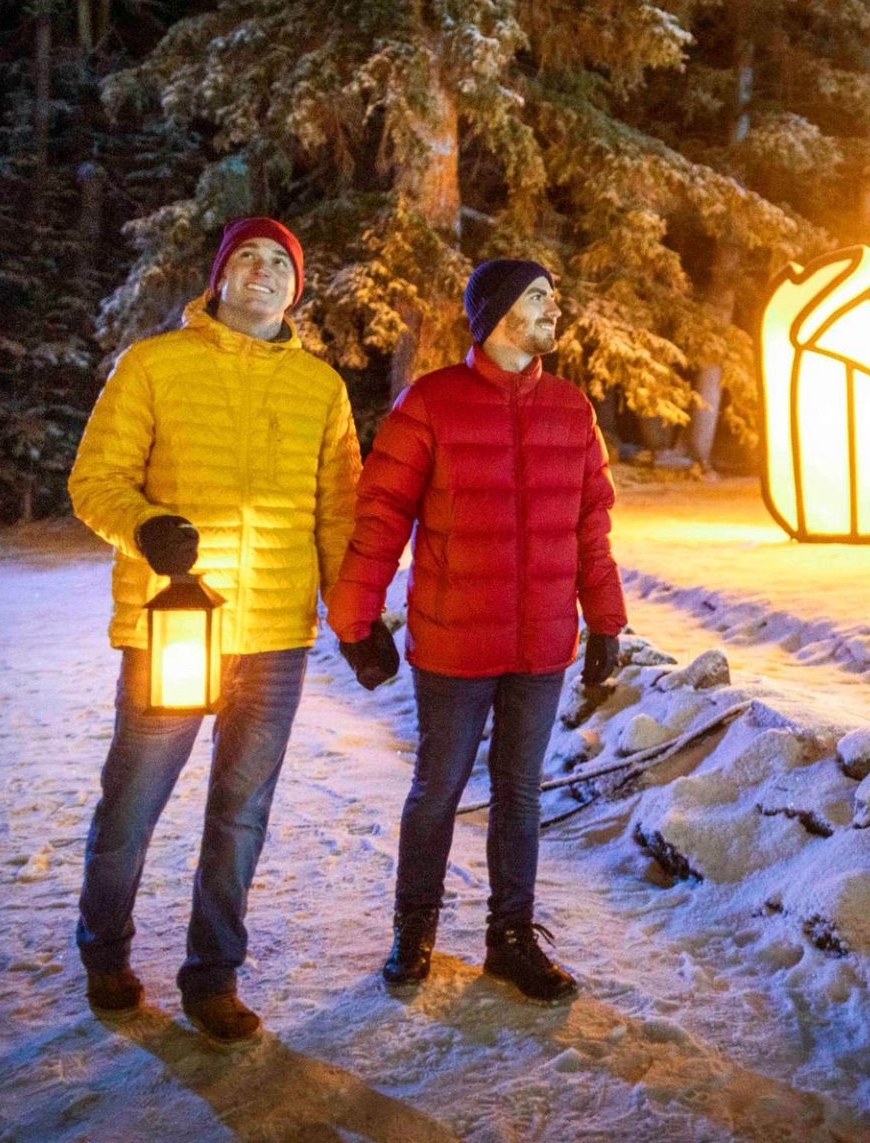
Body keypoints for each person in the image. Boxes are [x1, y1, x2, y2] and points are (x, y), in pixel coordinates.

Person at [67, 217, 361, 1044]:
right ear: (219, 275)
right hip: (174, 626)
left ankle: (212, 975)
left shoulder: (321, 389)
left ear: (295, 287)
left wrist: (356, 616)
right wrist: (148, 525)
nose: (263, 272)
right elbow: (95, 480)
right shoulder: (153, 365)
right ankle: (106, 949)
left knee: (242, 811)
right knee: (134, 800)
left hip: (274, 639)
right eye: (247, 258)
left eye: (280, 263)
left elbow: (340, 515)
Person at [327, 257, 627, 1004]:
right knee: (438, 789)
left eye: (554, 297)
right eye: (537, 298)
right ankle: (415, 930)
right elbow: (381, 517)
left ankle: (512, 939)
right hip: (456, 640)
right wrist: (355, 619)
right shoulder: (430, 404)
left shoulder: (570, 408)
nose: (553, 310)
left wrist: (607, 621)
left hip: (541, 644)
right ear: (495, 314)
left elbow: (592, 526)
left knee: (520, 794)